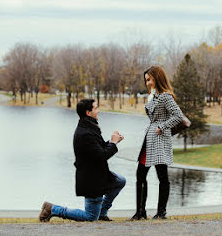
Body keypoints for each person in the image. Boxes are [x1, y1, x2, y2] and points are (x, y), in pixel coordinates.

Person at [39, 99, 126, 222]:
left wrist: (113, 142)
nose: (98, 110)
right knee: (90, 217)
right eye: (96, 108)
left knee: (120, 181)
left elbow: (98, 150)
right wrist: (113, 143)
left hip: (97, 174)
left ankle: (102, 213)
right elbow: (102, 155)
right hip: (91, 179)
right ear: (88, 112)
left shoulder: (89, 128)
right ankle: (52, 209)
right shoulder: (86, 133)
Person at [131, 66, 184, 220]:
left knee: (162, 176)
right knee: (140, 174)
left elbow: (178, 115)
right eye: (146, 80)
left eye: (149, 79)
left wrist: (162, 126)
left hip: (160, 139)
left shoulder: (165, 96)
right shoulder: (152, 96)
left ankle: (161, 212)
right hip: (150, 138)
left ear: (157, 78)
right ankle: (140, 212)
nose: (147, 83)